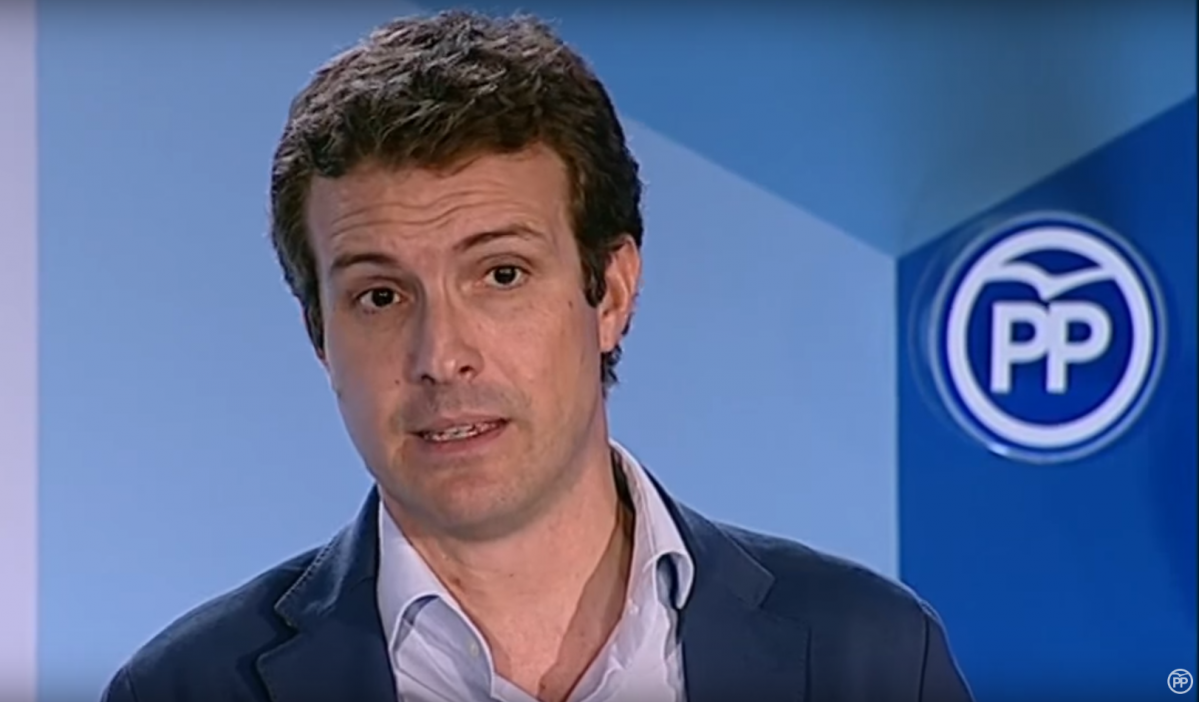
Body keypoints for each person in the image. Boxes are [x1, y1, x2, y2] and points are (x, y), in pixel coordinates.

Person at [101, 10, 974, 702]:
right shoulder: (185, 687)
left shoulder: (869, 657)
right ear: (318, 335)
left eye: (501, 275)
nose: (441, 356)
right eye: (380, 296)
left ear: (611, 293)